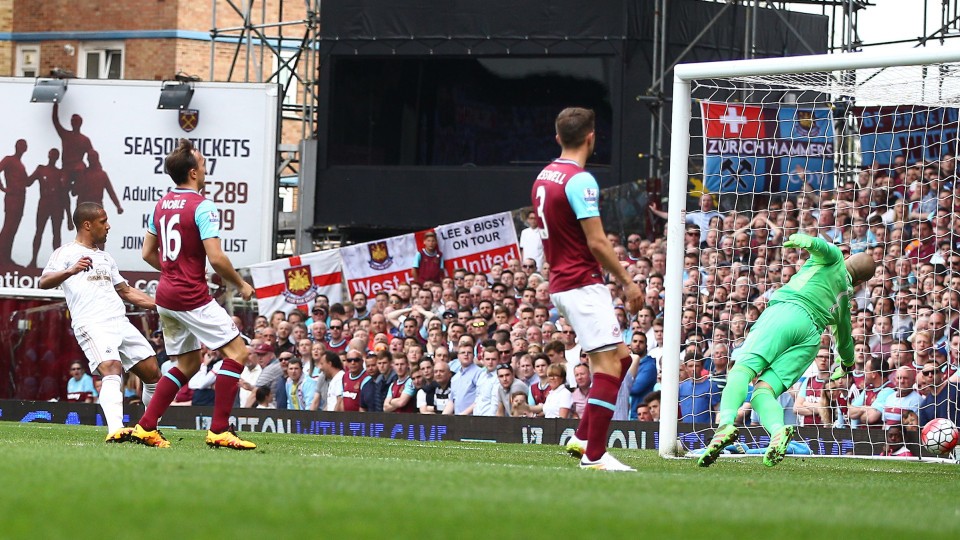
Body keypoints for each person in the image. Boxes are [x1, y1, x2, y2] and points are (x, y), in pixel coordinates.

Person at [698, 233, 876, 467]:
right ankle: (777, 432)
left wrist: (799, 239)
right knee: (764, 390)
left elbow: (821, 246)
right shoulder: (846, 298)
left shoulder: (833, 260)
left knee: (742, 370)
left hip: (786, 313)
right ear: (861, 282)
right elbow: (843, 339)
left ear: (849, 258)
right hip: (810, 337)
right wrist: (846, 364)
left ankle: (726, 425)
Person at [533, 107, 642, 471]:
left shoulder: (543, 177)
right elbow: (596, 242)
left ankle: (582, 437)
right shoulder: (580, 180)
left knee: (623, 358)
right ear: (591, 137)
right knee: (610, 367)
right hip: (581, 284)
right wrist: (627, 282)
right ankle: (594, 456)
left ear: (558, 136)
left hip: (564, 282)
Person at [130, 139, 257, 450]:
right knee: (238, 353)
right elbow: (216, 258)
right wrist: (241, 284)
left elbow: (147, 253)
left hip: (166, 296)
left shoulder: (159, 205)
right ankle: (219, 430)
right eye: (202, 163)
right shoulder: (203, 206)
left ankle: (146, 426)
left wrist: (173, 271)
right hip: (191, 296)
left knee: (187, 364)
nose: (205, 166)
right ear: (193, 172)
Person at [39, 202, 162, 442]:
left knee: (153, 373)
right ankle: (115, 430)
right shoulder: (65, 253)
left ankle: (149, 429)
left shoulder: (105, 257)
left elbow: (126, 291)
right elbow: (43, 282)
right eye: (103, 221)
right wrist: (70, 271)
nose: (108, 226)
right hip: (92, 323)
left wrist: (162, 305)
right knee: (112, 368)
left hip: (119, 321)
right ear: (87, 224)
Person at [28, 148, 68, 268]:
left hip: (57, 205)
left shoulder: (61, 172)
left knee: (56, 234)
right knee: (39, 232)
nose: (53, 157)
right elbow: (28, 182)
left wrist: (69, 216)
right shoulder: (41, 169)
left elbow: (65, 194)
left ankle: (57, 264)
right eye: (52, 154)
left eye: (55, 155)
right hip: (44, 203)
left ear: (57, 158)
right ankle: (33, 260)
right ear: (48, 155)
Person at [0, 139, 29, 264]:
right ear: (16, 146)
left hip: (20, 199)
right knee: (8, 227)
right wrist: (3, 188)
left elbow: (26, 182)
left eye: (24, 146)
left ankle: (6, 256)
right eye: (20, 145)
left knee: (13, 229)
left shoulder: (21, 165)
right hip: (12, 197)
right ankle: (1, 255)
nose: (22, 148)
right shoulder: (9, 160)